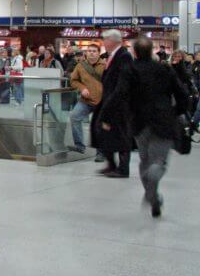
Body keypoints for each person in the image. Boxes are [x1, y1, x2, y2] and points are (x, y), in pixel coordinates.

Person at [109, 38, 188, 217]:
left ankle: (151, 193)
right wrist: (176, 112)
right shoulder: (165, 70)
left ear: (135, 52)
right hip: (163, 120)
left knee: (144, 159)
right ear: (152, 50)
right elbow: (182, 94)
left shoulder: (129, 70)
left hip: (138, 122)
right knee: (159, 160)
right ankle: (156, 174)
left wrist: (109, 116)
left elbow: (119, 94)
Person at [92, 29, 134, 178]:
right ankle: (111, 164)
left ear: (114, 40)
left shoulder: (124, 56)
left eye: (106, 39)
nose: (104, 42)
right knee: (103, 131)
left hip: (118, 103)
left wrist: (113, 100)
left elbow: (123, 83)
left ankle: (123, 168)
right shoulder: (113, 56)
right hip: (108, 100)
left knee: (121, 134)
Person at [68, 44, 105, 154]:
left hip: (101, 102)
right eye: (89, 51)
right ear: (86, 53)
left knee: (99, 125)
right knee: (74, 116)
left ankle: (101, 151)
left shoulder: (105, 65)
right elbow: (73, 80)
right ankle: (79, 146)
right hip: (86, 100)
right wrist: (82, 88)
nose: (91, 53)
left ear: (99, 53)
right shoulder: (80, 66)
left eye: (94, 51)